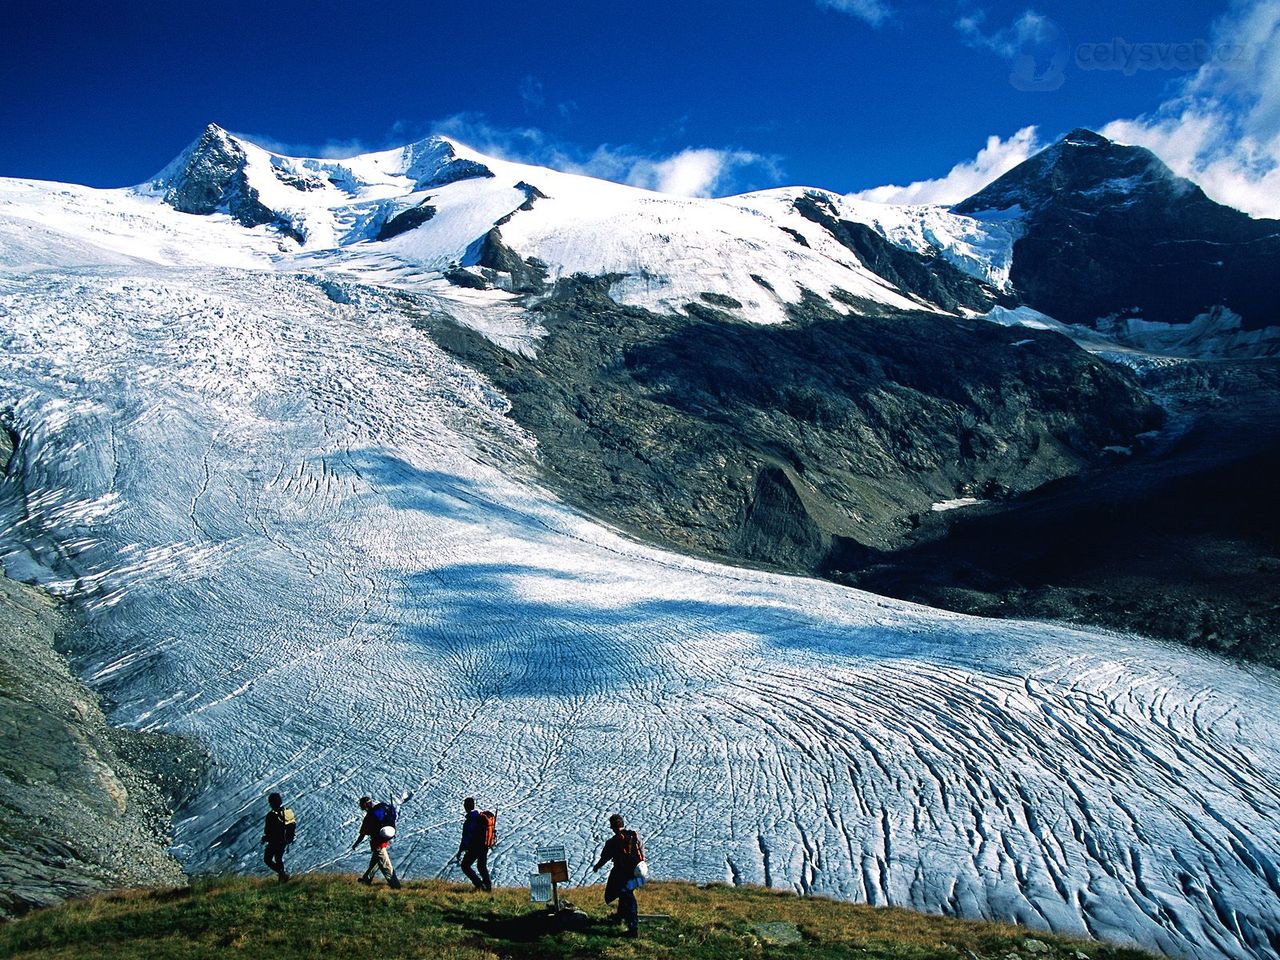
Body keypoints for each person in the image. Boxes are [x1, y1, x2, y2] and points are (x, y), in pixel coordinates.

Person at [592, 813, 646, 938]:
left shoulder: (613, 842)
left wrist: (597, 867)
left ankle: (633, 928)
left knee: (627, 896)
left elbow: (605, 858)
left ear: (612, 827)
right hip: (638, 874)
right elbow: (641, 851)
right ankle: (620, 917)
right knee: (625, 894)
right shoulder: (634, 835)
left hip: (623, 874)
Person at [352, 795, 401, 889]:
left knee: (386, 866)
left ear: (365, 806)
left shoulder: (369, 817)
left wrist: (356, 844)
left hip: (378, 845)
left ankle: (396, 886)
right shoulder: (381, 810)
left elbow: (362, 834)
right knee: (375, 863)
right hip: (383, 841)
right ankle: (366, 880)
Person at [453, 797, 492, 891]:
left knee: (465, 866)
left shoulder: (470, 820)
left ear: (466, 806)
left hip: (475, 847)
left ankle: (479, 885)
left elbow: (466, 837)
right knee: (481, 866)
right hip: (484, 845)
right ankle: (488, 887)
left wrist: (461, 850)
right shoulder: (479, 816)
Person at [261, 792, 296, 883]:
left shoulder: (271, 815)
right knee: (278, 858)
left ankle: (283, 874)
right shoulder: (287, 811)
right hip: (284, 840)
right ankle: (282, 878)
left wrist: (265, 838)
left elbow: (268, 831)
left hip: (274, 841)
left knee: (267, 859)